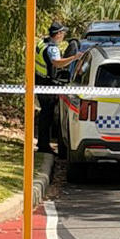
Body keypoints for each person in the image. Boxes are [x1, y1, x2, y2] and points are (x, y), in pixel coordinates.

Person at [35, 22, 82, 154]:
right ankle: (44, 146)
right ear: (58, 34)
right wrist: (74, 58)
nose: (64, 36)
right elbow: (57, 63)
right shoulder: (52, 48)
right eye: (63, 33)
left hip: (40, 81)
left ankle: (42, 143)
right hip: (48, 84)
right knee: (47, 114)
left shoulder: (41, 43)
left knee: (44, 113)